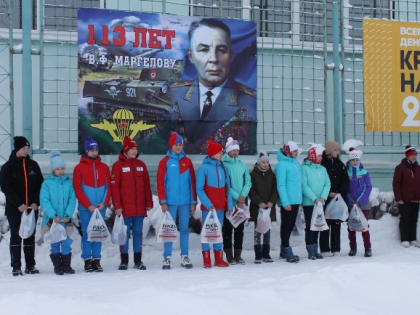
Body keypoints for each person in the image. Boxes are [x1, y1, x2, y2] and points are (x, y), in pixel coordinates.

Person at [170, 18, 257, 154]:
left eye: (221, 50)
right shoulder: (173, 94)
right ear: (191, 56)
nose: (213, 59)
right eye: (204, 49)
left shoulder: (249, 101)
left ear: (231, 55)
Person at [0, 136, 43, 276]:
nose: (26, 150)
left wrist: (36, 202)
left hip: (31, 209)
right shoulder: (7, 167)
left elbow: (40, 185)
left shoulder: (33, 165)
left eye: (27, 148)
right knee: (16, 236)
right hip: (15, 209)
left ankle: (30, 265)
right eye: (24, 148)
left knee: (30, 236)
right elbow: (6, 187)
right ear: (17, 149)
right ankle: (16, 266)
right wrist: (18, 204)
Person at [111, 136, 153, 270]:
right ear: (126, 150)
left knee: (138, 233)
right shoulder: (118, 166)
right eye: (132, 149)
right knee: (124, 233)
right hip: (124, 209)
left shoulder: (141, 165)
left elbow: (147, 185)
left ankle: (138, 260)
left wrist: (149, 202)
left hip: (139, 207)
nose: (135, 151)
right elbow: (114, 188)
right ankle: (124, 261)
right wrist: (117, 206)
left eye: (136, 149)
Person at [157, 132, 197, 269]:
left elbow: (192, 182)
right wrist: (163, 201)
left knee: (184, 229)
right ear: (171, 146)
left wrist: (193, 202)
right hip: (170, 203)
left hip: (185, 203)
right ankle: (166, 257)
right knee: (169, 230)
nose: (178, 147)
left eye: (180, 145)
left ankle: (184, 256)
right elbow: (160, 183)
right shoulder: (165, 162)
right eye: (176, 145)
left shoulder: (188, 162)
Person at [73, 137, 111, 272]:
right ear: (86, 150)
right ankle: (87, 260)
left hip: (100, 207)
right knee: (87, 233)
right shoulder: (79, 168)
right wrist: (87, 205)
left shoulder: (104, 167)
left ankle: (97, 259)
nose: (95, 152)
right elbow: (78, 189)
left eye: (96, 150)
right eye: (92, 150)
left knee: (98, 233)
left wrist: (104, 203)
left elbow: (108, 188)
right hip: (86, 208)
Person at [196, 140, 233, 268]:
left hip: (221, 207)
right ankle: (206, 259)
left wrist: (229, 205)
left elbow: (228, 188)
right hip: (209, 208)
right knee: (207, 231)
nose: (221, 154)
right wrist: (207, 204)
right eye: (219, 152)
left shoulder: (224, 168)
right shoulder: (203, 169)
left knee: (218, 232)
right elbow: (199, 189)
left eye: (221, 152)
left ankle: (219, 258)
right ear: (212, 153)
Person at [40, 151, 76, 275]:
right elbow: (44, 201)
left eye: (62, 168)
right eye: (57, 169)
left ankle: (66, 265)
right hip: (53, 221)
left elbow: (72, 199)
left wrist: (68, 215)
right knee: (55, 243)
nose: (60, 171)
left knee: (66, 243)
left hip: (65, 221)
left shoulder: (68, 183)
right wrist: (53, 215)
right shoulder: (47, 184)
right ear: (53, 170)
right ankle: (58, 266)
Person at [222, 137, 251, 264]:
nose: (235, 153)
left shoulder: (242, 164)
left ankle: (238, 255)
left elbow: (248, 182)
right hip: (230, 202)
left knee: (239, 229)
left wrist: (243, 196)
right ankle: (229, 255)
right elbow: (226, 184)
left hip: (241, 202)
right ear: (227, 151)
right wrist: (237, 197)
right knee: (227, 229)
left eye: (237, 150)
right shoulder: (223, 164)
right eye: (232, 150)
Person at [319, 141, 349, 256]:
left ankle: (336, 248)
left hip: (338, 199)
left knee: (336, 223)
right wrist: (327, 194)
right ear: (330, 152)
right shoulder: (322, 164)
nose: (337, 152)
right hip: (325, 199)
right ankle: (325, 249)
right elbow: (320, 182)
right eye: (336, 150)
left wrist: (340, 192)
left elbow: (345, 181)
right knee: (325, 223)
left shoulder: (340, 164)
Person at [302, 145, 331, 260]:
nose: (321, 158)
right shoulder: (304, 169)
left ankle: (316, 249)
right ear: (313, 156)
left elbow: (327, 184)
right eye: (319, 155)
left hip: (320, 203)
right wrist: (314, 198)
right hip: (310, 203)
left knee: (318, 225)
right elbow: (304, 186)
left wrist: (323, 197)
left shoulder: (323, 169)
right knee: (310, 226)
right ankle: (310, 250)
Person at [249, 151, 278, 264]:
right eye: (263, 162)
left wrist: (271, 202)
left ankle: (266, 253)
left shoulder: (272, 174)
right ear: (258, 163)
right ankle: (258, 254)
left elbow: (275, 191)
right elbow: (251, 191)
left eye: (267, 162)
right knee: (258, 230)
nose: (265, 164)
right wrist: (259, 202)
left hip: (269, 207)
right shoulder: (253, 174)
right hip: (258, 208)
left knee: (267, 231)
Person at [275, 141, 302, 263]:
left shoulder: (295, 163)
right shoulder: (281, 165)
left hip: (296, 200)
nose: (297, 153)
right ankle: (286, 249)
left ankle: (283, 250)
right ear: (288, 151)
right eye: (294, 151)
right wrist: (285, 202)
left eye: (297, 151)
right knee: (286, 226)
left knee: (290, 226)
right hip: (288, 202)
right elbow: (281, 185)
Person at [345, 147, 373, 257]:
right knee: (351, 227)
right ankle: (353, 248)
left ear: (359, 160)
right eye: (353, 160)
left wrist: (360, 201)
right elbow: (345, 189)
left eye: (357, 160)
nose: (355, 162)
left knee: (364, 226)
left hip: (363, 204)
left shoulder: (365, 173)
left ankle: (368, 248)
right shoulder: (346, 173)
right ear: (350, 161)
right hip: (350, 204)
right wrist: (351, 201)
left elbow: (368, 187)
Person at [393, 145, 420, 248]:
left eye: (415, 155)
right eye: (412, 155)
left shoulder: (418, 168)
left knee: (414, 219)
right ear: (407, 156)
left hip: (416, 199)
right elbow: (396, 183)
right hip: (404, 199)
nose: (414, 157)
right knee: (405, 219)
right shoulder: (400, 168)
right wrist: (398, 197)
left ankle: (413, 238)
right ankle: (405, 239)